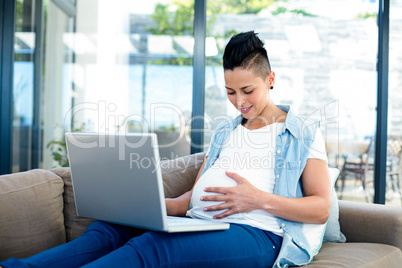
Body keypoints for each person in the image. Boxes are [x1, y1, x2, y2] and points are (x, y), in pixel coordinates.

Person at [0, 31, 331, 268]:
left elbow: (320, 209)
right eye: (230, 92)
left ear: (270, 79)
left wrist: (257, 199)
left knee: (153, 247)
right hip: (198, 222)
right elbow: (190, 198)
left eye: (248, 90)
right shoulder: (225, 132)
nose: (240, 102)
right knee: (110, 229)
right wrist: (146, 207)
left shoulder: (300, 132)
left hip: (259, 234)